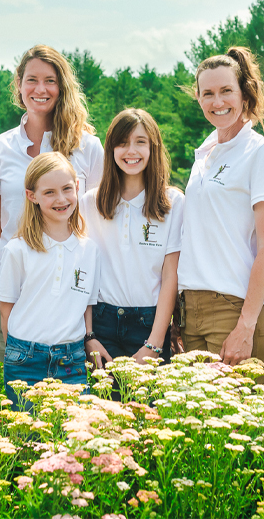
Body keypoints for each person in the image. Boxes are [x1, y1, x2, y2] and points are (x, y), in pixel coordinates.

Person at [0, 45, 104, 362]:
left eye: (49, 80)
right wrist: (23, 269)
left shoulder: (87, 148)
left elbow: (96, 221)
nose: (40, 89)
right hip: (13, 290)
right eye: (31, 80)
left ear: (61, 87)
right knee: (12, 397)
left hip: (72, 296)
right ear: (18, 84)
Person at [177, 47, 264, 374]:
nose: (217, 101)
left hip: (235, 309)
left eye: (226, 91)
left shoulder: (260, 153)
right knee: (197, 424)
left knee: (233, 424)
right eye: (207, 93)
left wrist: (245, 326)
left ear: (244, 93)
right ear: (198, 97)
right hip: (191, 310)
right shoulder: (205, 154)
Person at [0, 152, 99, 410]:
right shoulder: (17, 250)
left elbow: (86, 304)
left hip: (71, 360)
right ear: (32, 196)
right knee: (28, 437)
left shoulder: (89, 250)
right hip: (25, 360)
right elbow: (6, 310)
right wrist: (16, 354)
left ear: (77, 188)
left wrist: (89, 338)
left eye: (66, 189)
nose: (61, 199)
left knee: (72, 439)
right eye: (49, 192)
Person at [80, 109, 183, 368]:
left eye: (140, 142)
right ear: (111, 149)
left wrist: (155, 343)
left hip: (150, 326)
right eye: (122, 143)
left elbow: (171, 276)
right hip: (101, 325)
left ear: (153, 148)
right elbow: (83, 272)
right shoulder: (90, 203)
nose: (131, 151)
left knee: (150, 408)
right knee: (101, 407)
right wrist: (88, 336)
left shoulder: (173, 203)